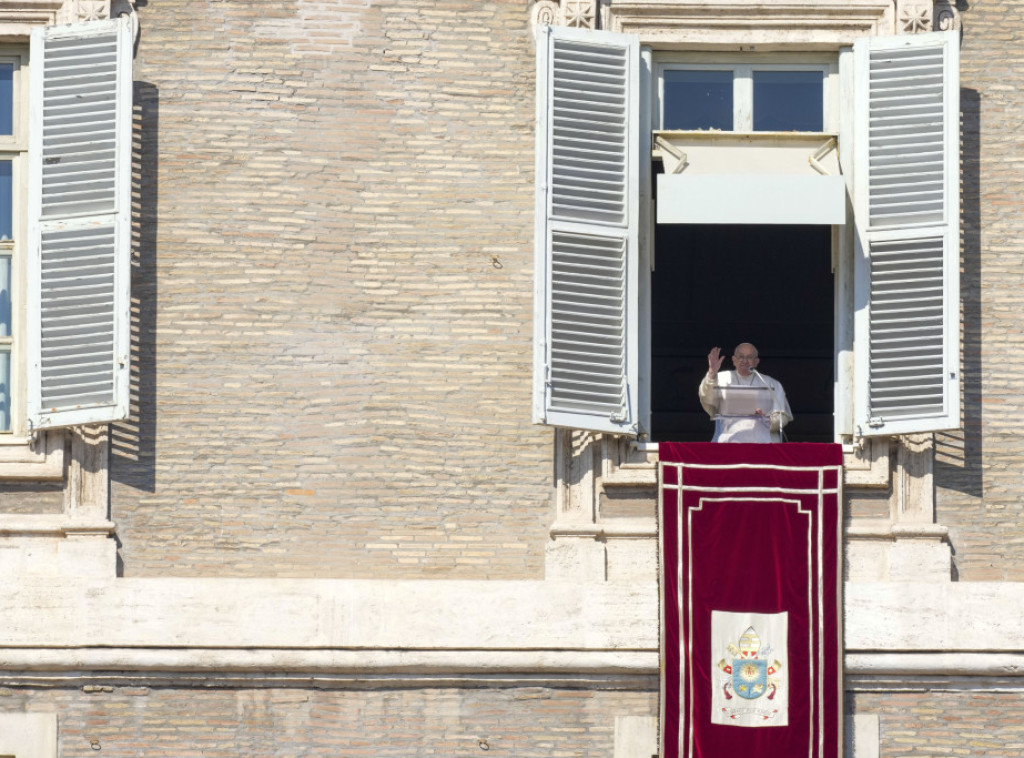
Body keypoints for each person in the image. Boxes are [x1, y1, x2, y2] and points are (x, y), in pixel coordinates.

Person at [698, 343, 792, 443]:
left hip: (763, 443)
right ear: (734, 360)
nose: (745, 361)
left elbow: (782, 416)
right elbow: (707, 400)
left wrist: (766, 420)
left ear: (756, 361)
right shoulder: (720, 379)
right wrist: (712, 372)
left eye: (750, 357)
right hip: (730, 440)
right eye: (741, 357)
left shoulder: (771, 383)